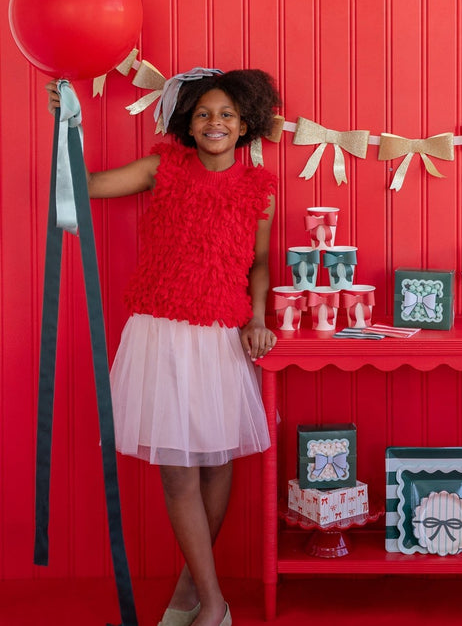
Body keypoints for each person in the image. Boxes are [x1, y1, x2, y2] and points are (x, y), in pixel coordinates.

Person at [47, 68, 281, 626]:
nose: (215, 122)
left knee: (215, 461)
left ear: (245, 123)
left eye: (226, 113)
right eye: (203, 113)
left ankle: (189, 590)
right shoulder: (163, 168)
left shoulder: (258, 191)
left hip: (220, 335)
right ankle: (216, 603)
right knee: (177, 472)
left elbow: (261, 265)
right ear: (187, 123)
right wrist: (66, 125)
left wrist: (256, 318)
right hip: (160, 330)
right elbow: (83, 185)